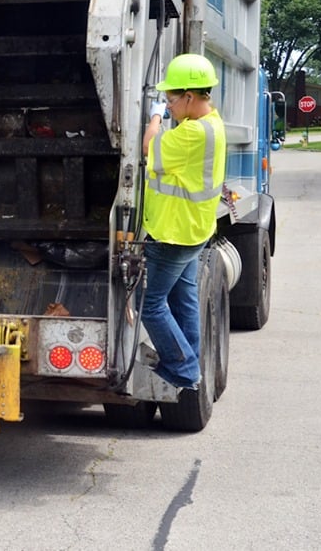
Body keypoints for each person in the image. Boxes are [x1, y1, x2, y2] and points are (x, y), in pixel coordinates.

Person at [140, 54, 226, 390]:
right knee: (184, 298)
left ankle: (184, 368)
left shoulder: (191, 134)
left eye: (170, 99)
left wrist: (155, 118)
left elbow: (149, 147)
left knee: (151, 306)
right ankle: (191, 365)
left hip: (173, 233)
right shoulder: (212, 124)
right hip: (195, 229)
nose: (168, 104)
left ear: (190, 97)